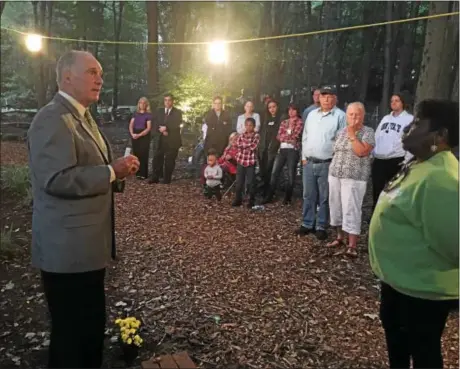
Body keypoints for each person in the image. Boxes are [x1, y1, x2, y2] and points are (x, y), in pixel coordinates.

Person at [27, 50, 140, 369]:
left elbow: (89, 167)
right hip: (66, 254)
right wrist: (110, 171)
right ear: (67, 77)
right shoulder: (51, 119)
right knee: (71, 339)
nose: (100, 78)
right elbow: (57, 178)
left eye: (100, 72)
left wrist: (118, 173)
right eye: (91, 72)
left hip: (86, 250)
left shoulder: (83, 116)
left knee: (89, 333)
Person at [369, 99, 459, 369]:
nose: (409, 126)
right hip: (401, 284)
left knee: (424, 354)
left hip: (422, 293)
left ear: (440, 136)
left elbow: (454, 245)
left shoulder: (442, 179)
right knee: (399, 349)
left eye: (419, 122)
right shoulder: (421, 164)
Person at [296, 86, 346, 240]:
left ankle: (321, 225)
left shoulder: (340, 116)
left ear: (335, 98)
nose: (326, 99)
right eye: (323, 96)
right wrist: (303, 157)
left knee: (325, 196)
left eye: (329, 96)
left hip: (327, 163)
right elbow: (305, 136)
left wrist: (336, 162)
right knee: (308, 195)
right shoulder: (311, 114)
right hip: (309, 162)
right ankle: (307, 223)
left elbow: (342, 141)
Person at [327, 102, 375, 256]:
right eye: (351, 114)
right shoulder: (341, 132)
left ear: (363, 115)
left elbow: (361, 152)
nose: (354, 117)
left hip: (354, 177)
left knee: (351, 208)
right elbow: (335, 150)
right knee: (336, 207)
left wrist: (353, 134)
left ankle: (352, 245)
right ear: (346, 116)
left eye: (357, 114)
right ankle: (340, 237)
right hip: (335, 174)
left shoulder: (368, 132)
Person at [371, 92, 413, 209]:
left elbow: (409, 140)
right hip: (379, 159)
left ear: (403, 103)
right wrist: (372, 153)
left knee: (393, 191)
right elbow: (377, 135)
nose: (393, 103)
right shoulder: (385, 118)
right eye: (392, 101)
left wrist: (406, 160)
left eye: (397, 100)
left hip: (396, 160)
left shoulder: (409, 119)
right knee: (377, 190)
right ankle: (375, 215)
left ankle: (391, 216)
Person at [263, 103, 303, 205]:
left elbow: (296, 136)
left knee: (290, 174)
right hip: (282, 149)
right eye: (289, 110)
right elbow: (278, 136)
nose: (291, 112)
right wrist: (288, 138)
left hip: (292, 151)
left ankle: (288, 197)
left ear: (297, 111)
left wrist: (287, 137)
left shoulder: (299, 122)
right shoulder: (284, 122)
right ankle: (269, 196)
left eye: (293, 110)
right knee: (274, 172)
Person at [150, 93, 183, 184]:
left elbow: (177, 123)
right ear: (164, 101)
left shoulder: (177, 112)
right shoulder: (159, 111)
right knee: (157, 158)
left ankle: (167, 179)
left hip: (172, 140)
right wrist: (161, 130)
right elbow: (155, 123)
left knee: (170, 160)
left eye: (169, 100)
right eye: (166, 100)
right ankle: (155, 177)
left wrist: (166, 128)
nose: (167, 102)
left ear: (172, 101)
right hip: (160, 139)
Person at [233, 117, 260, 208]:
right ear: (245, 126)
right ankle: (238, 200)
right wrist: (245, 145)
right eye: (247, 125)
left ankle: (251, 201)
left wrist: (243, 146)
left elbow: (253, 146)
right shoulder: (241, 135)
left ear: (254, 126)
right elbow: (237, 144)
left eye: (250, 125)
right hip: (241, 160)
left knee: (251, 182)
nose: (248, 127)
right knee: (239, 181)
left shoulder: (256, 136)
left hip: (250, 161)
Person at [258, 99, 282, 197]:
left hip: (274, 150)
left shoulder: (280, 119)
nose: (272, 109)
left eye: (274, 107)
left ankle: (270, 193)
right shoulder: (265, 119)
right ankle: (263, 190)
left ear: (277, 107)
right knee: (263, 170)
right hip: (263, 149)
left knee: (270, 171)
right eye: (270, 107)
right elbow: (262, 134)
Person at [128, 97, 152, 179]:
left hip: (144, 136)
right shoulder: (135, 114)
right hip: (135, 135)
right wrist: (132, 134)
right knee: (136, 154)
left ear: (146, 104)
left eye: (144, 103)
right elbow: (131, 125)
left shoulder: (148, 115)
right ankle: (137, 172)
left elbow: (148, 128)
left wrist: (139, 135)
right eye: (140, 103)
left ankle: (143, 174)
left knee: (143, 154)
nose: (142, 104)